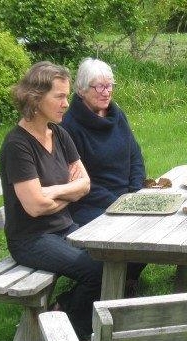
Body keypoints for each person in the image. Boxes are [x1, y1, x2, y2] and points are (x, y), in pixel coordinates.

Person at [0, 61, 102, 341]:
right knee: (96, 270)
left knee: (114, 256)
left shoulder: (59, 133)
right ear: (35, 97)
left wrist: (53, 191)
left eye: (67, 96)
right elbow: (34, 208)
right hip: (31, 239)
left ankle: (68, 314)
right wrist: (68, 193)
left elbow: (85, 185)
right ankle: (66, 320)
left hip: (63, 227)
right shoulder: (18, 145)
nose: (66, 104)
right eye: (59, 96)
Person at [60, 57, 146, 294]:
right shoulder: (70, 126)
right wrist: (117, 203)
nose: (106, 92)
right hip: (90, 202)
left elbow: (135, 155)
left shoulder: (117, 116)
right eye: (99, 86)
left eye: (110, 86)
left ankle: (126, 280)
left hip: (126, 198)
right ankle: (105, 287)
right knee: (126, 234)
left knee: (152, 227)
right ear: (81, 90)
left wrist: (135, 192)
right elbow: (77, 178)